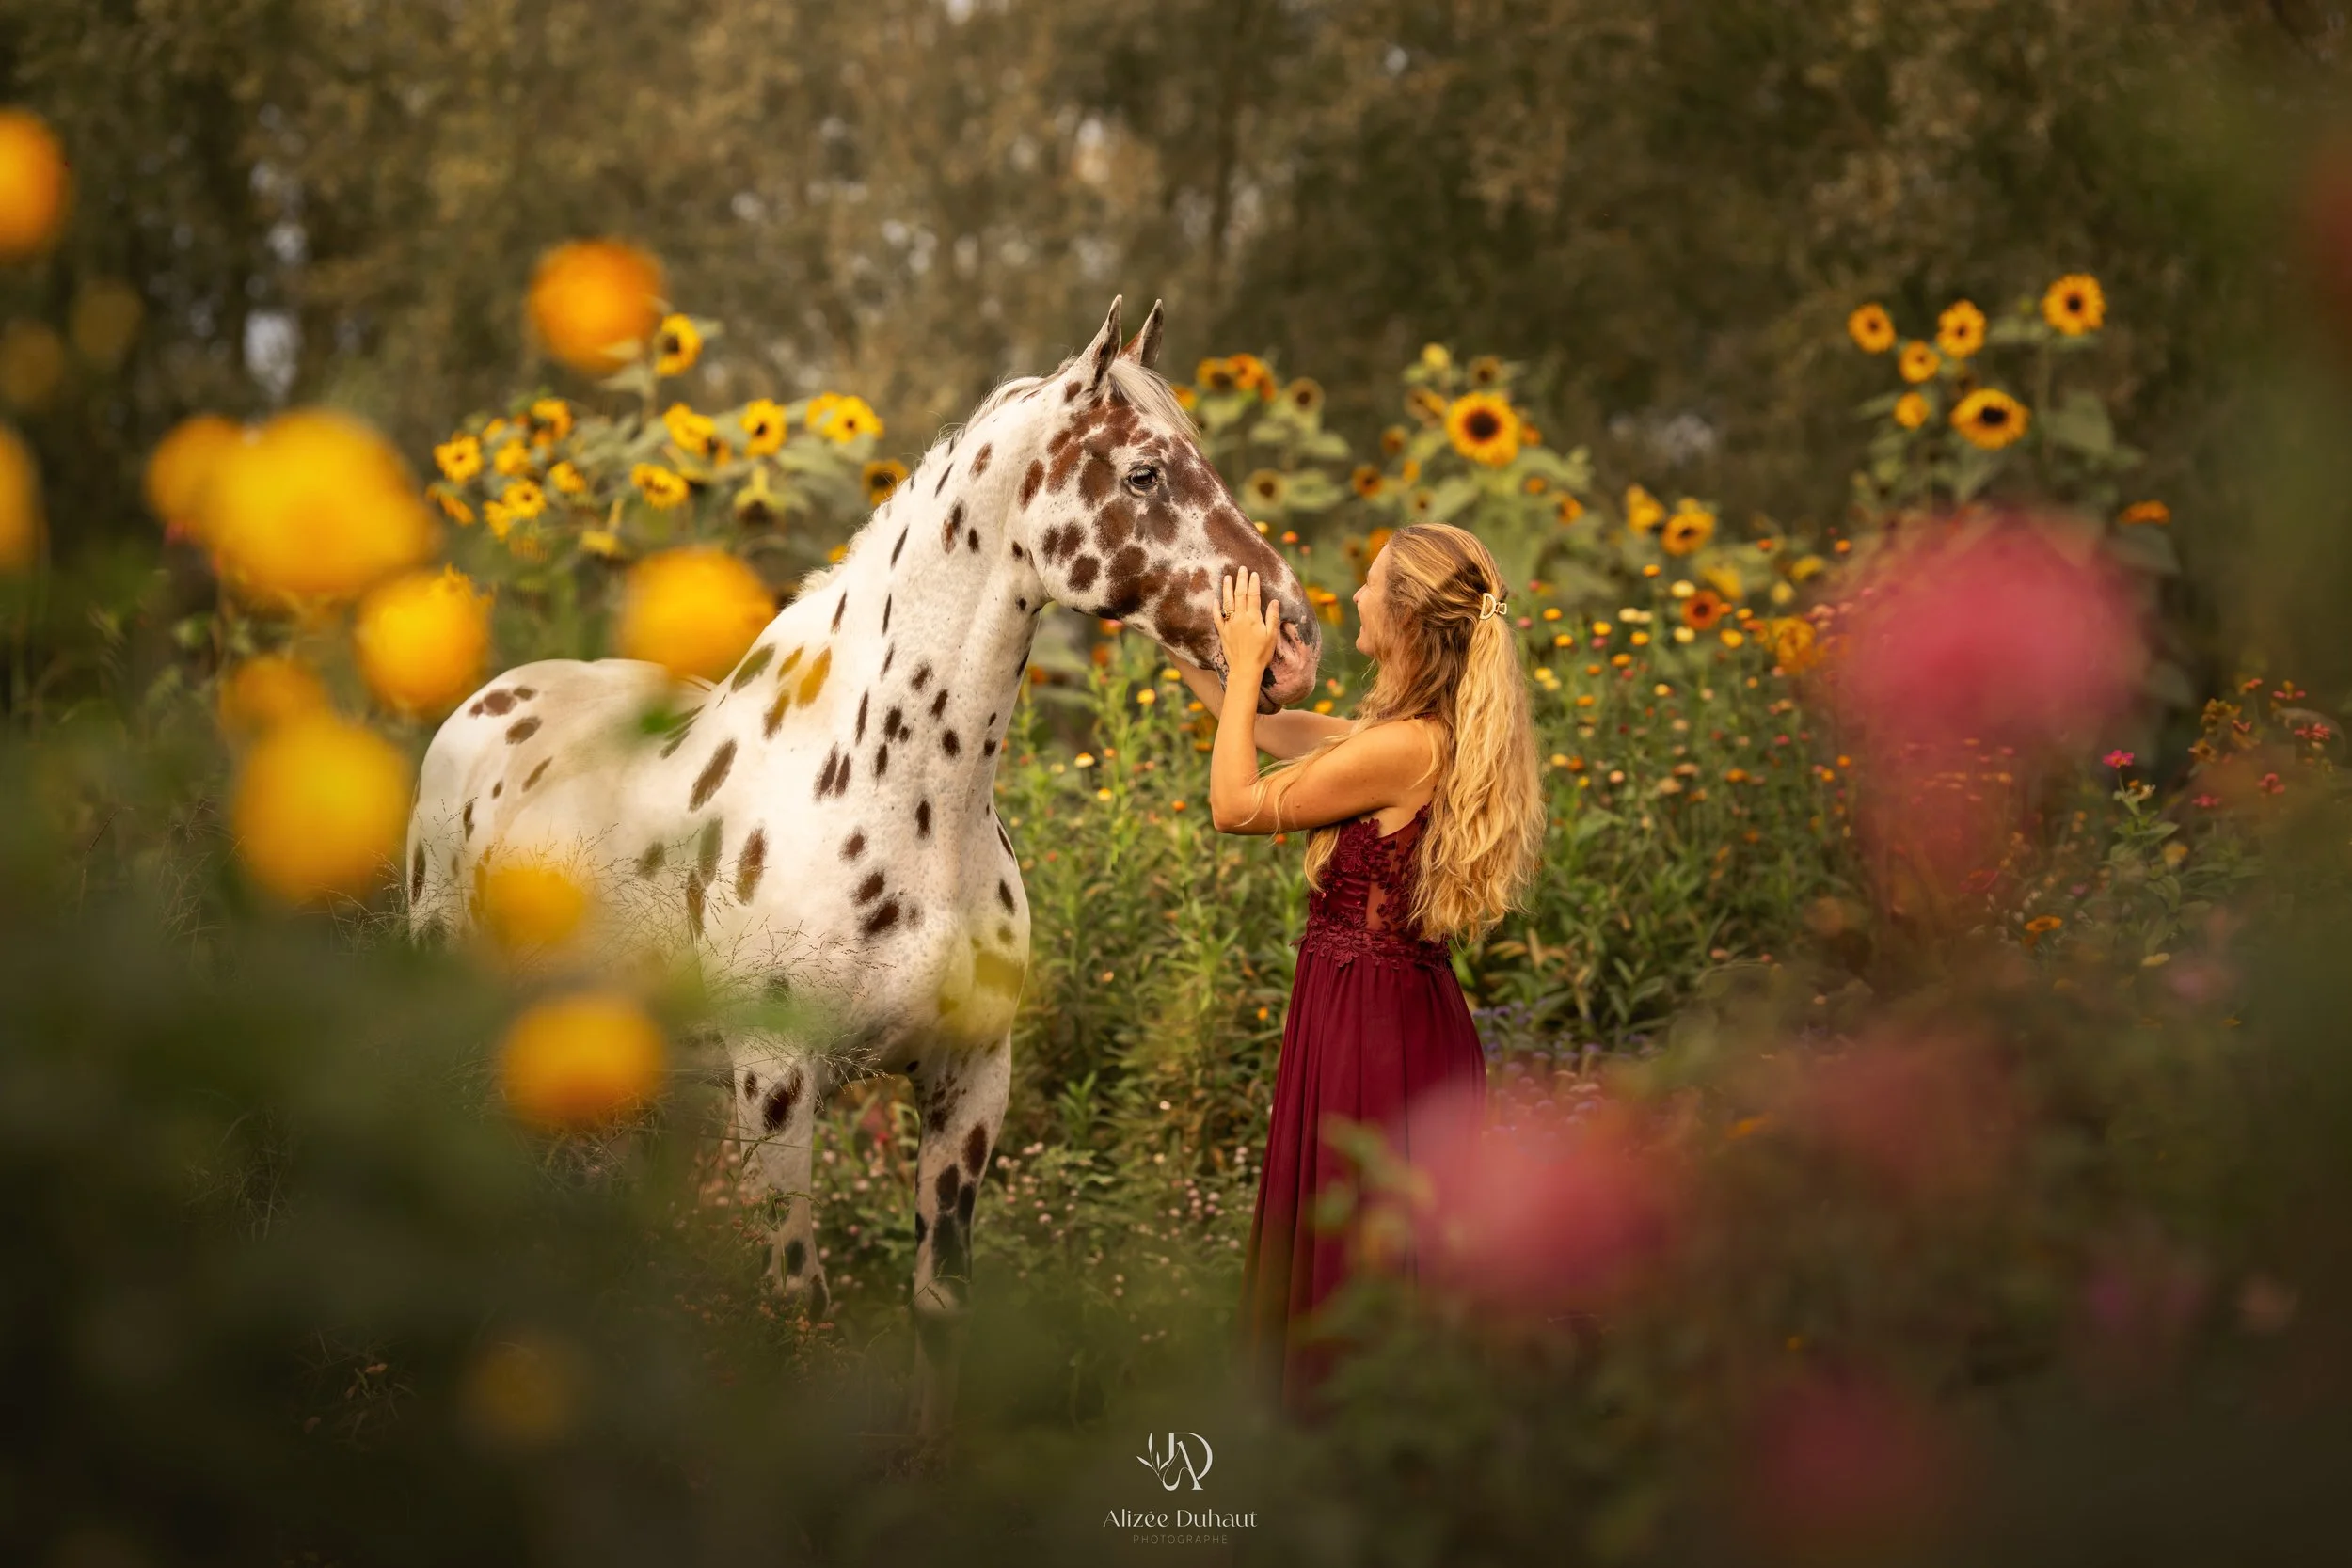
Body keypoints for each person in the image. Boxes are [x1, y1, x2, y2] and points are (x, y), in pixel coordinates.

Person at [1170, 521, 1546, 1420]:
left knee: (1357, 1264)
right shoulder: (1416, 733)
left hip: (1370, 1032)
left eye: (1371, 584)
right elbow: (1268, 732)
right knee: (1376, 1254)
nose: (1354, 598)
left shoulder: (1404, 748)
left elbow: (1233, 804)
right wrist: (1203, 651)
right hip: (1393, 1014)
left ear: (1408, 615)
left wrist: (1250, 659)